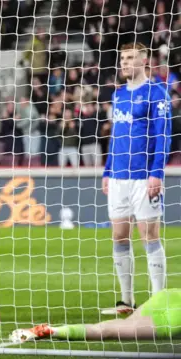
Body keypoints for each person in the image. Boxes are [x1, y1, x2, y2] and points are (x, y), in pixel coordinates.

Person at [101, 42, 171, 315]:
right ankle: (126, 301)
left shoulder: (157, 93)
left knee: (149, 236)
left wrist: (156, 173)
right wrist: (107, 171)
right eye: (122, 58)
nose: (124, 63)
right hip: (118, 177)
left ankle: (157, 300)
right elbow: (115, 137)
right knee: (119, 236)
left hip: (144, 177)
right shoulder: (118, 95)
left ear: (144, 61)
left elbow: (162, 137)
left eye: (130, 58)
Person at [10, 288, 181, 343]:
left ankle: (49, 330)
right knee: (108, 331)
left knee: (115, 327)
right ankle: (52, 331)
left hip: (169, 296)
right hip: (174, 319)